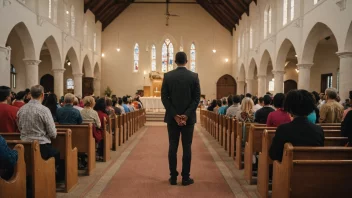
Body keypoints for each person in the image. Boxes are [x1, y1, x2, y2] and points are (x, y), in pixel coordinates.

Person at [161, 51, 200, 186]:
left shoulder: (168, 76)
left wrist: (175, 115)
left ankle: (173, 177)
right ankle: (185, 177)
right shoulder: (194, 77)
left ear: (175, 61)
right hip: (188, 120)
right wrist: (187, 115)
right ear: (187, 61)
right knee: (187, 147)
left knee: (173, 146)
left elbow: (164, 98)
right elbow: (196, 99)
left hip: (172, 119)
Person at [17, 85, 63, 181]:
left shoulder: (21, 109)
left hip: (24, 145)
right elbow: (53, 134)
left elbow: (20, 128)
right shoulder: (44, 110)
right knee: (58, 154)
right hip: (41, 146)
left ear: (30, 95)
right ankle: (53, 180)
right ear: (43, 95)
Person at [269, 90, 324, 161]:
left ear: (289, 108)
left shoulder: (283, 129)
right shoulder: (318, 130)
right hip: (312, 170)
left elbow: (274, 155)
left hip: (288, 170)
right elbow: (320, 154)